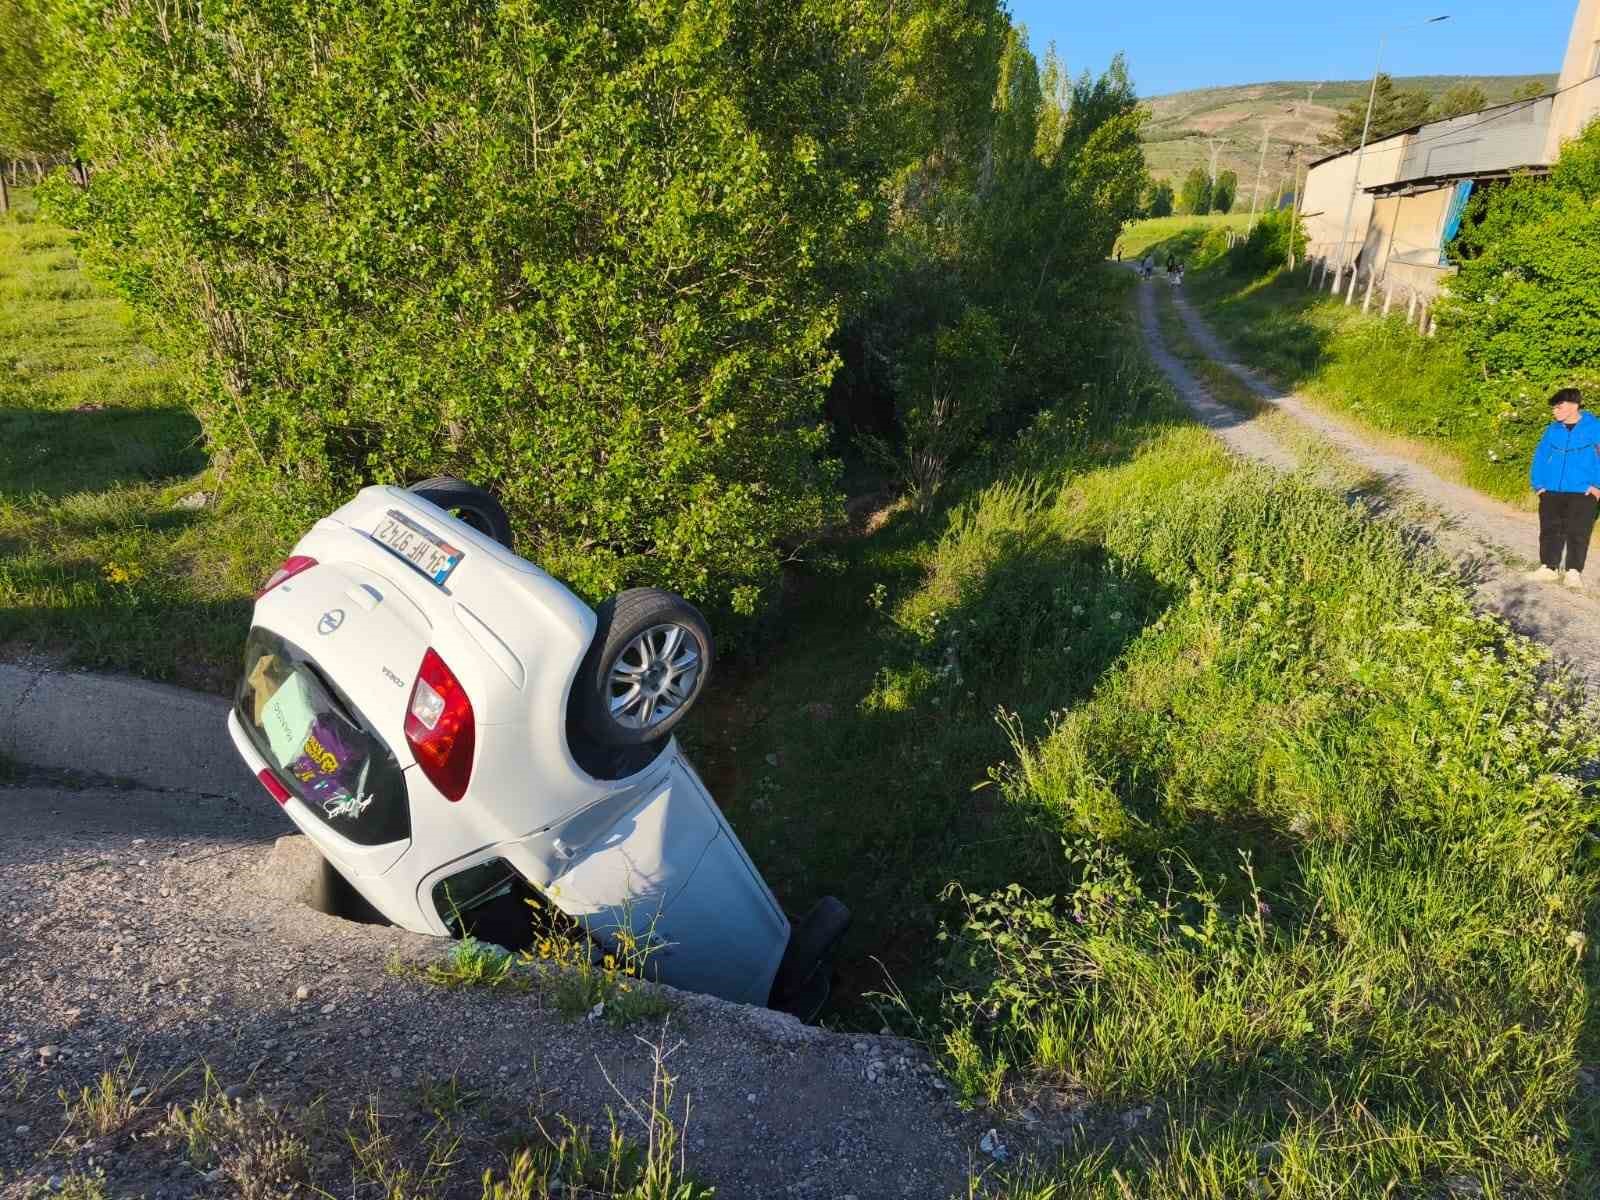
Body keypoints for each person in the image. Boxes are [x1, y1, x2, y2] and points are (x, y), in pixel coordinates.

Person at [1526, 387, 1600, 589]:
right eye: (1554, 407)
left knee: (1578, 532)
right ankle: (1549, 568)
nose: (1555, 411)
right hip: (1551, 490)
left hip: (1583, 491)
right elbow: (1540, 457)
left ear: (1574, 406)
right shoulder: (1552, 430)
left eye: (1559, 406)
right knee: (1550, 530)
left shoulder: (1595, 428)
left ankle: (1573, 572)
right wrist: (1539, 485)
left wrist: (1597, 486)